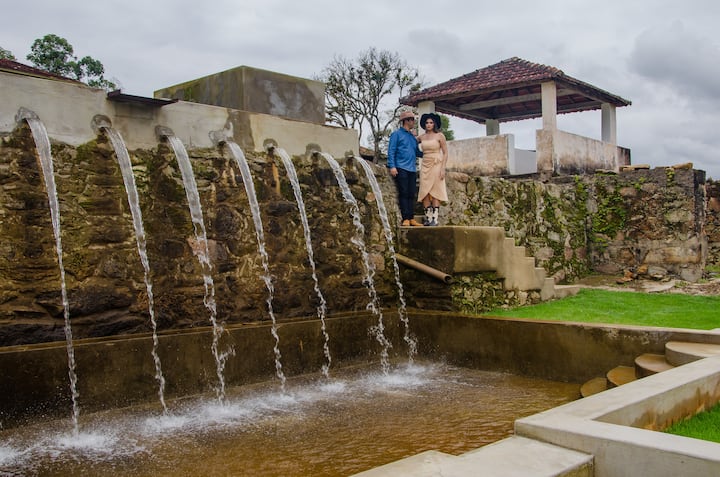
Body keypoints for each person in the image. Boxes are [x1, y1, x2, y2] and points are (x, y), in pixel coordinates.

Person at [387, 110, 424, 226]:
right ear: (406, 121)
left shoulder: (412, 137)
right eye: (412, 120)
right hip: (401, 167)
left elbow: (417, 152)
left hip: (412, 169)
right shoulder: (396, 134)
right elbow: (391, 150)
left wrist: (430, 153)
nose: (413, 122)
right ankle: (405, 218)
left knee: (411, 193)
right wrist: (392, 166)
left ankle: (411, 217)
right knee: (403, 192)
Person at [417, 112, 448, 226]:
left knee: (435, 191)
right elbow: (411, 143)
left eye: (431, 122)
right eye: (427, 123)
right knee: (424, 191)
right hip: (425, 163)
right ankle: (428, 218)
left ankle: (435, 218)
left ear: (434, 124)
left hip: (436, 163)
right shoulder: (421, 137)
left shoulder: (440, 136)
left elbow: (445, 152)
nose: (429, 124)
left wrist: (443, 168)